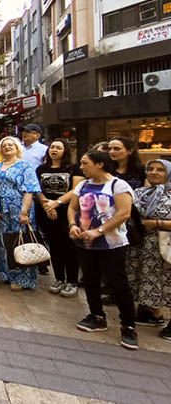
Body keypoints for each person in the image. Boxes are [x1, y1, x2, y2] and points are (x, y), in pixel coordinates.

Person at [68, 150, 138, 350]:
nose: (81, 167)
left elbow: (124, 213)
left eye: (85, 163)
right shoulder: (82, 185)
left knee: (118, 283)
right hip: (85, 242)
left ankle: (128, 325)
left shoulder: (118, 185)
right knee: (90, 280)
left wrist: (98, 231)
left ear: (99, 164)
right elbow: (73, 208)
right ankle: (97, 315)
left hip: (112, 244)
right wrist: (73, 225)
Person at [0, 136, 41, 291]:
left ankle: (22, 279)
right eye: (4, 145)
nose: (7, 147)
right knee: (3, 241)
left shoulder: (25, 166)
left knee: (20, 241)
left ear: (17, 148)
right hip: (1, 208)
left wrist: (24, 212)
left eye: (11, 145)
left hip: (19, 208)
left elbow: (30, 190)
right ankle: (5, 274)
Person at [129, 159, 171, 339]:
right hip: (141, 247)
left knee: (166, 284)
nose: (154, 172)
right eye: (151, 169)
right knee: (144, 280)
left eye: (160, 170)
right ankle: (152, 314)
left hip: (165, 247)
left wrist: (155, 223)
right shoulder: (139, 192)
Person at [37, 139, 85, 297]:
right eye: (52, 147)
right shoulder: (41, 169)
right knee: (54, 246)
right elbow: (37, 190)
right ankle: (58, 278)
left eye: (58, 147)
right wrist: (46, 205)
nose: (54, 150)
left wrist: (56, 203)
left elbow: (76, 189)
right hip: (47, 212)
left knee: (70, 247)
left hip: (67, 211)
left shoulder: (73, 169)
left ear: (65, 151)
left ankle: (72, 281)